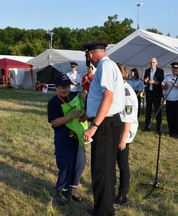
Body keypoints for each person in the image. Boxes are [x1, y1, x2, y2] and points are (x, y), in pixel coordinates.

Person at [82, 41, 125, 216]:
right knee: (105, 168)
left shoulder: (105, 66)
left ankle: (104, 212)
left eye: (87, 55)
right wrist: (88, 114)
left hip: (105, 124)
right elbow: (102, 97)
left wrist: (94, 126)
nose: (87, 58)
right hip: (107, 122)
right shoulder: (108, 65)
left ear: (90, 54)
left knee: (102, 170)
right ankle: (103, 207)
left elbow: (108, 97)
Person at [47, 74, 86, 205]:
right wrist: (71, 116)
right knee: (64, 165)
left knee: (78, 164)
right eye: (63, 87)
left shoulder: (71, 98)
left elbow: (81, 103)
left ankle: (72, 188)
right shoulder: (53, 102)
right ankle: (61, 190)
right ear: (56, 88)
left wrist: (83, 96)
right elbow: (55, 123)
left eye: (68, 87)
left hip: (76, 138)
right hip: (63, 138)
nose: (66, 90)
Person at [115, 62, 139, 205]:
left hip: (123, 133)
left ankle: (123, 194)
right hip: (117, 130)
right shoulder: (119, 89)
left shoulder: (126, 93)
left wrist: (123, 140)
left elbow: (128, 119)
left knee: (122, 164)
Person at [161, 62, 178, 138]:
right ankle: (171, 132)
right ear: (171, 69)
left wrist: (175, 84)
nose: (175, 70)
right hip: (169, 100)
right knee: (170, 117)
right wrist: (165, 86)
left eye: (177, 68)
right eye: (174, 68)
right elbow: (162, 87)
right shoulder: (167, 77)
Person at [143, 57, 164, 133]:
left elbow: (161, 82)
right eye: (151, 62)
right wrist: (146, 81)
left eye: (153, 62)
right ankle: (146, 127)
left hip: (157, 94)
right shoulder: (147, 71)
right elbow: (144, 81)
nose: (152, 64)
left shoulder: (160, 71)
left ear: (156, 63)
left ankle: (158, 129)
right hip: (149, 93)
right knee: (148, 110)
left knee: (157, 111)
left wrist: (154, 82)